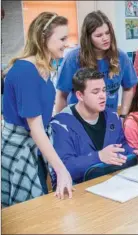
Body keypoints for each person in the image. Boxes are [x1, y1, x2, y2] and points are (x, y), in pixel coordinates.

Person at [1, 12, 73, 207]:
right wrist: (61, 169)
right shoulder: (25, 71)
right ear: (44, 38)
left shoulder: (44, 68)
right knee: (26, 210)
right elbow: (36, 128)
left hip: (36, 146)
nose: (66, 43)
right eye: (62, 38)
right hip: (20, 150)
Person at [50, 68, 138, 185]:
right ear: (80, 95)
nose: (103, 96)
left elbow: (121, 146)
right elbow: (63, 167)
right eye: (96, 92)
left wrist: (134, 154)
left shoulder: (112, 117)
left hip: (111, 183)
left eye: (104, 90)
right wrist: (98, 156)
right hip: (77, 191)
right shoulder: (61, 124)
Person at [55, 10, 138, 119]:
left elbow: (129, 88)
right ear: (88, 38)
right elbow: (62, 95)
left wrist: (123, 115)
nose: (105, 38)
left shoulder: (121, 57)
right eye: (99, 35)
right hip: (79, 121)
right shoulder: (73, 58)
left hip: (108, 119)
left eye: (107, 33)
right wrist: (61, 123)